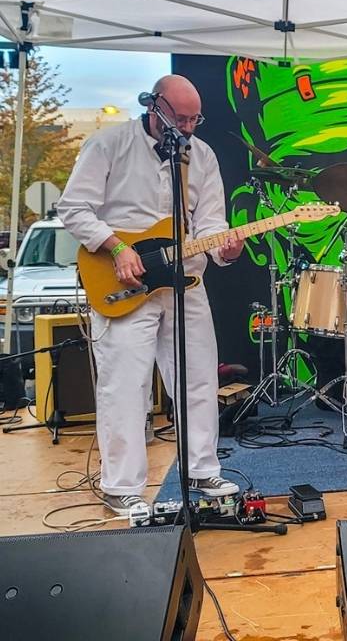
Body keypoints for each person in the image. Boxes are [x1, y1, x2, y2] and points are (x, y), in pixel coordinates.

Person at [58, 74, 244, 516]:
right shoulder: (110, 144)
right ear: (154, 106)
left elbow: (211, 222)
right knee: (126, 384)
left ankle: (202, 468)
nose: (189, 126)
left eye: (195, 118)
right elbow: (73, 208)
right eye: (181, 117)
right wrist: (116, 246)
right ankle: (121, 485)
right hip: (122, 281)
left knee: (199, 378)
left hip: (186, 283)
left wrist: (226, 247)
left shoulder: (202, 155)